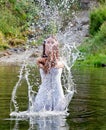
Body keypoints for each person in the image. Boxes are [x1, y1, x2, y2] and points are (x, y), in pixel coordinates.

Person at [33, 36, 67, 112]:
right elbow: (46, 68)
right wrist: (49, 54)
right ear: (44, 45)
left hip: (57, 94)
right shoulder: (40, 60)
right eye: (48, 42)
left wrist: (53, 54)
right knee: (40, 115)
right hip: (43, 93)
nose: (50, 44)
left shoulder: (61, 60)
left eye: (52, 42)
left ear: (56, 45)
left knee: (59, 118)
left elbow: (55, 65)